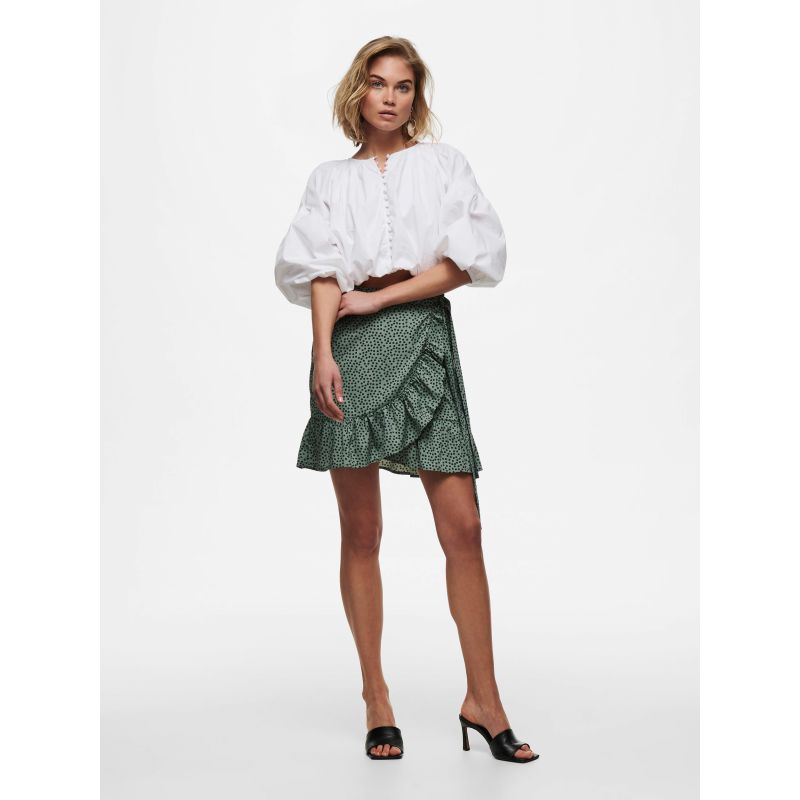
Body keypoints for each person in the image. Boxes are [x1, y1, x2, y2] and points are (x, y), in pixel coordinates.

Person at [274, 36, 539, 764]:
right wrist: (322, 351)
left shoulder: (444, 165)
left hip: (421, 335)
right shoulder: (329, 179)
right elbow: (320, 271)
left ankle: (484, 700)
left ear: (416, 97)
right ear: (356, 92)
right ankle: (376, 698)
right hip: (350, 351)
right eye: (377, 83)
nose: (390, 97)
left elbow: (465, 263)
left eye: (403, 86)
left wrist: (380, 298)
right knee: (361, 532)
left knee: (465, 527)